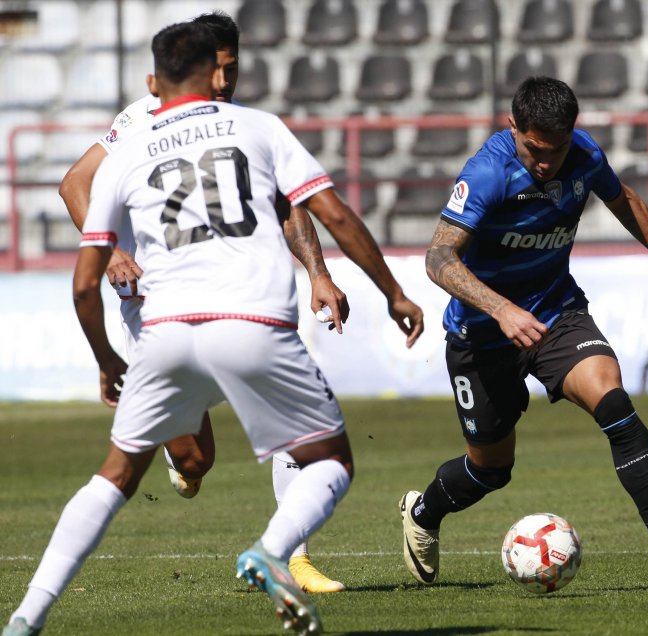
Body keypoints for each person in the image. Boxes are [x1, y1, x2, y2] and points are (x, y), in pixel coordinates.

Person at [4, 21, 423, 636]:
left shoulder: (140, 148)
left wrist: (105, 358)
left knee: (116, 474)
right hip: (243, 318)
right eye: (219, 68)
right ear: (203, 70)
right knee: (314, 460)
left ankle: (24, 618)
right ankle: (271, 550)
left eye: (234, 66)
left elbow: (80, 284)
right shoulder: (248, 126)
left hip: (167, 327)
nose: (226, 78)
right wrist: (392, 291)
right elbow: (330, 209)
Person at [398, 76, 648, 592]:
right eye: (535, 150)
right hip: (482, 333)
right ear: (513, 127)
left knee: (614, 403)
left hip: (555, 313)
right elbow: (438, 258)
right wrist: (501, 310)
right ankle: (424, 511)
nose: (547, 163)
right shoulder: (486, 174)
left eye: (558, 149)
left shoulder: (583, 155)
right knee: (491, 470)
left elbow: (624, 198)